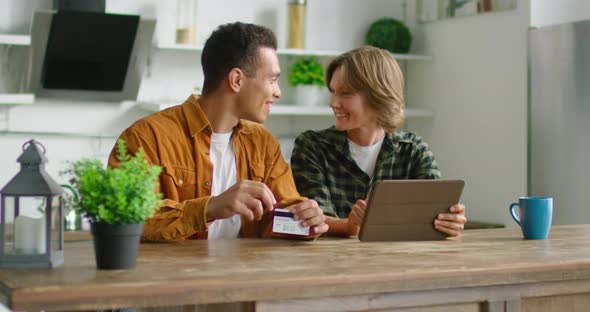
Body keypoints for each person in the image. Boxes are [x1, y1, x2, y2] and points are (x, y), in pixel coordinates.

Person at [108, 22, 328, 241]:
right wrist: (210, 208)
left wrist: (307, 220)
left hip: (248, 274)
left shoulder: (263, 144)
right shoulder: (145, 138)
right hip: (173, 275)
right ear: (237, 80)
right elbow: (125, 220)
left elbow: (282, 217)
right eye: (272, 79)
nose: (277, 92)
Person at [290, 46, 466, 237]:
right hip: (331, 263)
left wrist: (449, 222)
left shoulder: (414, 150)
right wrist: (350, 225)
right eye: (333, 91)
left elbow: (431, 216)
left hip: (401, 263)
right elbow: (314, 217)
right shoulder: (312, 146)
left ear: (378, 95)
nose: (333, 102)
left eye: (345, 93)